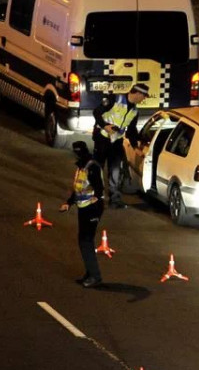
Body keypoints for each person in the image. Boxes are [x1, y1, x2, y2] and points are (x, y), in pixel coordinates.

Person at [92, 83, 150, 209]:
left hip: (116, 141)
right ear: (138, 93)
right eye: (144, 96)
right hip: (102, 138)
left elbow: (131, 131)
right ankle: (96, 198)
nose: (143, 99)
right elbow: (96, 112)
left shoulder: (134, 111)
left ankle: (115, 200)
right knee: (97, 168)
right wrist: (105, 126)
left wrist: (135, 147)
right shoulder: (114, 99)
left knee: (115, 171)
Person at [59, 141, 105, 287]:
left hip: (92, 208)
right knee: (83, 241)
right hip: (83, 207)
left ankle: (95, 276)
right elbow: (78, 189)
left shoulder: (92, 167)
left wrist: (96, 200)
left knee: (86, 241)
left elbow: (99, 188)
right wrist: (69, 203)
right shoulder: (81, 167)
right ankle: (90, 272)